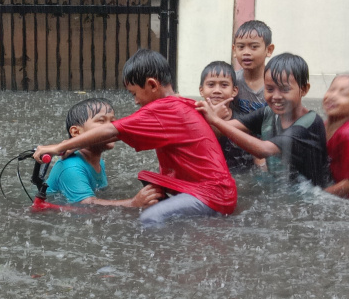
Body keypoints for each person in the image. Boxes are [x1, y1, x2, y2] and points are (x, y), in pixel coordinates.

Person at [34, 49, 237, 224]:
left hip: (212, 196)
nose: (136, 101)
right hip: (217, 191)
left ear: (152, 85)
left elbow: (113, 130)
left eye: (134, 93)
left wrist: (57, 148)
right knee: (151, 188)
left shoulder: (162, 109)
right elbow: (121, 132)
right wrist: (74, 145)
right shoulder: (181, 104)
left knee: (149, 218)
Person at [197, 52, 331, 187]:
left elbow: (263, 150)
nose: (276, 96)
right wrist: (210, 118)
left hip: (311, 194)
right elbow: (224, 129)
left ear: (304, 89)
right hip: (281, 187)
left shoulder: (309, 123)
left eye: (285, 89)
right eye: (270, 89)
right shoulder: (268, 113)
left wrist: (215, 120)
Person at [45, 98, 163, 208]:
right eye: (101, 121)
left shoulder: (98, 161)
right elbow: (86, 205)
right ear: (76, 132)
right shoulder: (71, 168)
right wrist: (133, 203)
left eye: (113, 122)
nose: (111, 128)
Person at [198, 60, 255, 173]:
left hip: (239, 174)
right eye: (211, 85)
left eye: (224, 85)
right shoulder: (195, 117)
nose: (217, 90)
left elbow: (256, 154)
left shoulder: (243, 120)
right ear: (201, 90)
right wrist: (215, 118)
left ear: (234, 91)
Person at [233, 20, 275, 114]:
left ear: (269, 50)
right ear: (234, 50)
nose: (246, 52)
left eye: (254, 47)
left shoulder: (276, 83)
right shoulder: (231, 81)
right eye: (241, 47)